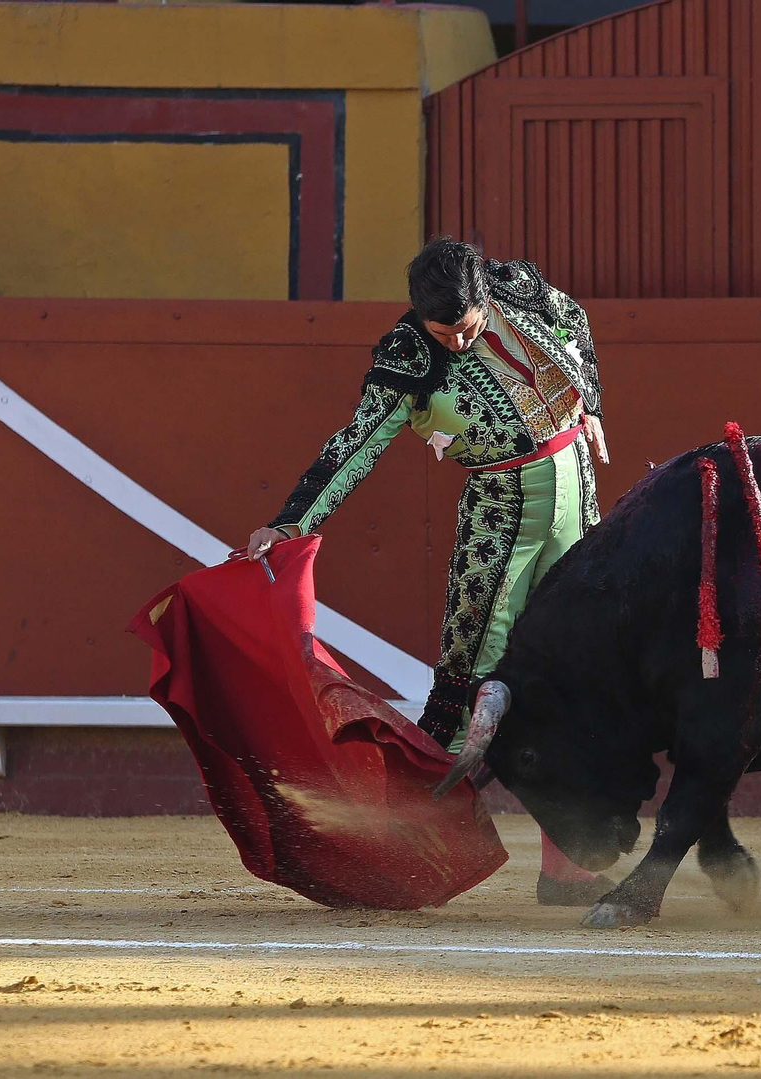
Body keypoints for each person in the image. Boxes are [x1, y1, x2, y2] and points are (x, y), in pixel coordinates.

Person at [244, 238, 613, 906]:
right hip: (500, 515)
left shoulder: (516, 288)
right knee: (468, 689)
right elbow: (356, 444)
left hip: (576, 493)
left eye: (467, 327)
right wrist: (292, 522)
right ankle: (392, 854)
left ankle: (568, 869)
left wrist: (588, 402)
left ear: (484, 298)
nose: (459, 342)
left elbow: (575, 323)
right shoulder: (409, 354)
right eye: (445, 333)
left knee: (575, 677)